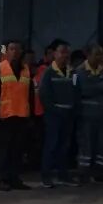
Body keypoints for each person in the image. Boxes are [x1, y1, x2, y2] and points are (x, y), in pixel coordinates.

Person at [0, 40, 33, 191]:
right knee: (4, 150)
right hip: (5, 117)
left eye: (17, 49)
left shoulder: (26, 70)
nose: (14, 52)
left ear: (21, 52)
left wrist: (30, 115)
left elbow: (30, 94)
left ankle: (15, 178)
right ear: (6, 51)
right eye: (11, 49)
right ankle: (3, 178)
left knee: (17, 149)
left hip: (21, 116)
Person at [37, 39, 78, 187]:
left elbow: (77, 91)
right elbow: (44, 95)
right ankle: (46, 176)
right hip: (53, 116)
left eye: (67, 52)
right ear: (54, 54)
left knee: (65, 147)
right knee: (51, 145)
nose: (65, 55)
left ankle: (63, 176)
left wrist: (73, 109)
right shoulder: (48, 73)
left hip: (69, 116)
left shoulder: (73, 72)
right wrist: (55, 110)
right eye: (62, 52)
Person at [73, 43, 103, 183]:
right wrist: (100, 87)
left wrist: (93, 87)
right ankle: (83, 172)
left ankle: (100, 172)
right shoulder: (78, 71)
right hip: (86, 115)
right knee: (86, 145)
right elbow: (82, 89)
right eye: (96, 54)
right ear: (88, 55)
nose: (99, 57)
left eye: (101, 54)